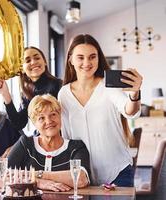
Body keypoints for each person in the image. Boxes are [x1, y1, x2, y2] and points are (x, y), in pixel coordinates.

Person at [58, 34, 143, 186]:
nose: (87, 62)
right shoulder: (64, 94)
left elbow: (129, 111)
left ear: (98, 58)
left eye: (92, 57)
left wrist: (135, 93)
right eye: (80, 57)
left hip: (117, 172)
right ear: (70, 59)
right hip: (81, 175)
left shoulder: (108, 88)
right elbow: (66, 135)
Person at [7, 94, 90, 192]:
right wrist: (38, 182)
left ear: (60, 116)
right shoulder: (25, 144)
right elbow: (0, 178)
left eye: (53, 114)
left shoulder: (76, 147)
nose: (49, 121)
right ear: (34, 123)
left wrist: (36, 174)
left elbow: (81, 179)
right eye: (41, 118)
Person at [0, 46, 62, 131]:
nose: (33, 62)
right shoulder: (26, 93)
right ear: (22, 69)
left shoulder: (59, 85)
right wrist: (6, 94)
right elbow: (18, 123)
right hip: (42, 138)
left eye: (37, 58)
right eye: (27, 60)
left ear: (45, 62)